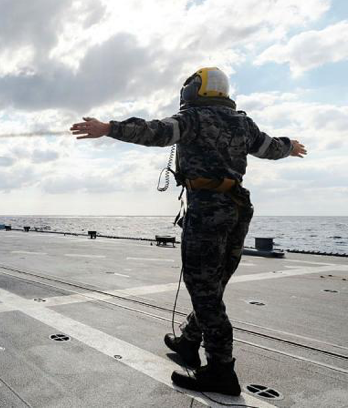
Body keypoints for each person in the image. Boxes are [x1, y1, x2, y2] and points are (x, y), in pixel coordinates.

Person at [70, 67, 307, 396]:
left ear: (196, 90)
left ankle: (221, 371)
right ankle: (187, 341)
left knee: (204, 290)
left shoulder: (193, 118)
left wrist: (109, 128)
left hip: (208, 209)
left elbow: (156, 132)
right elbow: (270, 147)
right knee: (215, 282)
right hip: (237, 209)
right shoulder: (243, 123)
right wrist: (290, 146)